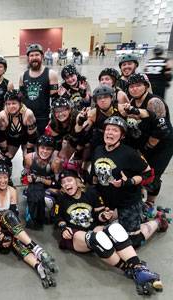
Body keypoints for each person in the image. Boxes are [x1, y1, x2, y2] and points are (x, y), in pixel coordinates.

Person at [54, 169, 163, 295]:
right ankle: (131, 269)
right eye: (63, 183)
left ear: (78, 181)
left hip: (93, 228)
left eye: (69, 180)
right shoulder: (61, 199)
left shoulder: (91, 193)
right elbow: (58, 218)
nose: (66, 184)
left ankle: (138, 268)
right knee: (98, 237)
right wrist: (63, 228)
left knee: (114, 229)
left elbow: (98, 215)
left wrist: (104, 216)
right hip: (75, 236)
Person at [92, 116, 168, 249]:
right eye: (108, 129)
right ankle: (142, 211)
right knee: (97, 232)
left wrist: (129, 182)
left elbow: (149, 173)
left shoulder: (130, 154)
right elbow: (95, 176)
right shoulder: (98, 150)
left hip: (128, 201)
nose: (110, 132)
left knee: (132, 242)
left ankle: (158, 220)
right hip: (108, 200)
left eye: (115, 130)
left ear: (121, 136)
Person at [0, 163, 57, 288]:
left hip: (9, 224)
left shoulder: (13, 190)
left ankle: (38, 266)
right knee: (7, 238)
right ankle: (36, 248)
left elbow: (15, 216)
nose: (3, 181)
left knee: (15, 239)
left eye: (5, 177)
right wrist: (1, 235)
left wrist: (13, 232)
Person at [126, 74, 173, 209]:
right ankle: (140, 194)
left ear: (146, 86)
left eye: (138, 86)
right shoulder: (132, 102)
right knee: (139, 171)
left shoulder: (154, 102)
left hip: (163, 144)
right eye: (131, 86)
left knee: (152, 176)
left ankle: (150, 202)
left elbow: (161, 131)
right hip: (146, 141)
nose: (134, 89)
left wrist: (145, 149)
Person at [19, 44, 59, 135]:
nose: (34, 58)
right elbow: (21, 98)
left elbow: (55, 99)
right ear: (28, 58)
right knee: (28, 146)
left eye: (37, 55)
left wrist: (53, 119)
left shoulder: (51, 74)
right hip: (27, 116)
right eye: (31, 55)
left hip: (43, 117)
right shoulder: (23, 76)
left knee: (42, 146)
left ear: (42, 56)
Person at [22, 135, 59, 229]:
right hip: (35, 185)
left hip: (50, 186)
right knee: (33, 196)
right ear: (37, 147)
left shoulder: (56, 162)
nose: (45, 151)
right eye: (42, 148)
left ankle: (52, 214)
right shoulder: (29, 158)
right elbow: (24, 177)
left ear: (53, 150)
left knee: (48, 200)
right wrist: (28, 180)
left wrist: (39, 179)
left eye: (48, 149)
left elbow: (58, 184)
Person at [0, 89, 37, 159]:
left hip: (27, 139)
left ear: (20, 103)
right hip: (12, 139)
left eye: (14, 103)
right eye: (8, 104)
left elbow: (33, 136)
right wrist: (4, 151)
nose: (11, 106)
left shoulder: (28, 114)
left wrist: (29, 150)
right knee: (3, 160)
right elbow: (1, 135)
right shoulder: (3, 115)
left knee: (29, 160)